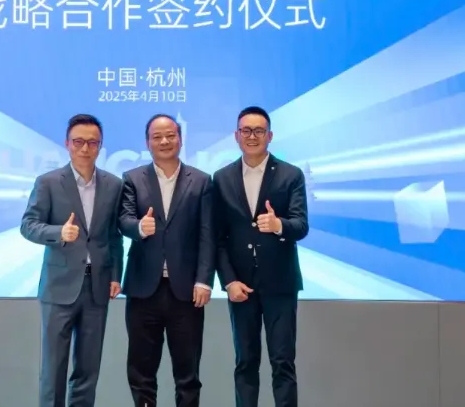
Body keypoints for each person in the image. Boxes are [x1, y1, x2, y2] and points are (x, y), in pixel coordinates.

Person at [20, 114, 124, 407]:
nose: (85, 148)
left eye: (92, 142)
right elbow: (28, 225)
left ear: (100, 146)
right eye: (78, 142)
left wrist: (116, 275)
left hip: (97, 287)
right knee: (53, 368)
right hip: (59, 287)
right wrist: (58, 233)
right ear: (67, 144)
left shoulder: (114, 185)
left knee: (88, 370)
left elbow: (114, 236)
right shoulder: (48, 182)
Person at [212, 106, 309, 407]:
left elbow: (301, 226)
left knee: (283, 362)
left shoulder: (290, 174)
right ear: (236, 135)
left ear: (270, 136)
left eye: (258, 131)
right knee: (245, 362)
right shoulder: (222, 178)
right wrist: (229, 281)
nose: (252, 136)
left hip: (280, 284)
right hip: (241, 286)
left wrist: (278, 225)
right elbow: (218, 238)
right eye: (246, 130)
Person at [118, 113, 216, 407]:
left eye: (170, 135)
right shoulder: (132, 179)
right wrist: (138, 227)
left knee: (188, 374)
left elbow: (208, 234)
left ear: (180, 139)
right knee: (141, 372)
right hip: (143, 290)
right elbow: (123, 220)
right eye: (157, 137)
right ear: (147, 142)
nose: (164, 141)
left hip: (186, 292)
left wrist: (204, 280)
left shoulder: (201, 181)